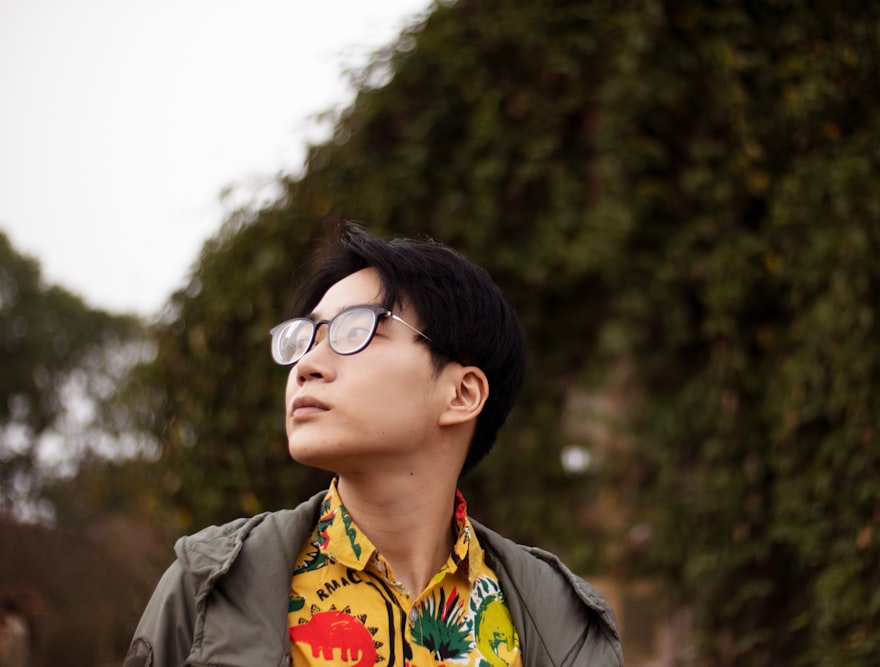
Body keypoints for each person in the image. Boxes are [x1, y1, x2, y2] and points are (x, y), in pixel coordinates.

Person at [124, 221, 623, 666]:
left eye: (355, 330)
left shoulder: (563, 621)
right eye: (305, 338)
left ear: (462, 393)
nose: (306, 366)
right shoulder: (209, 587)